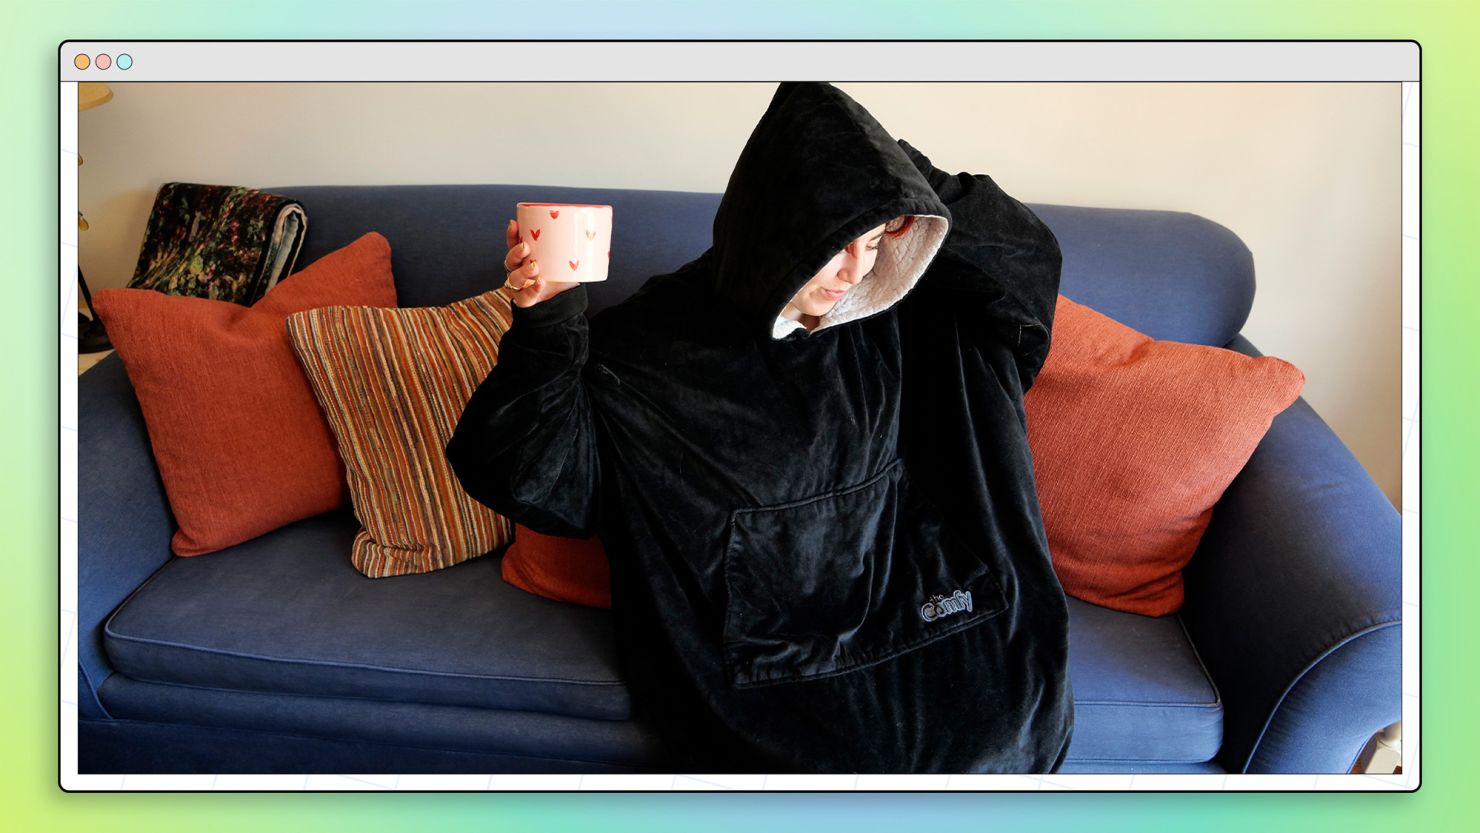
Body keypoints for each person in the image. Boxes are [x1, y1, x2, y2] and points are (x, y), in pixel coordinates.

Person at [446, 82, 1074, 773]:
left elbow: (1024, 262)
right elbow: (527, 473)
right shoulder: (651, 348)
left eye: (872, 241)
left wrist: (889, 172)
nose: (856, 268)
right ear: (780, 224)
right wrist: (548, 319)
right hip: (775, 687)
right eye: (837, 242)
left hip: (952, 634)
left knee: (989, 734)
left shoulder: (920, 320)